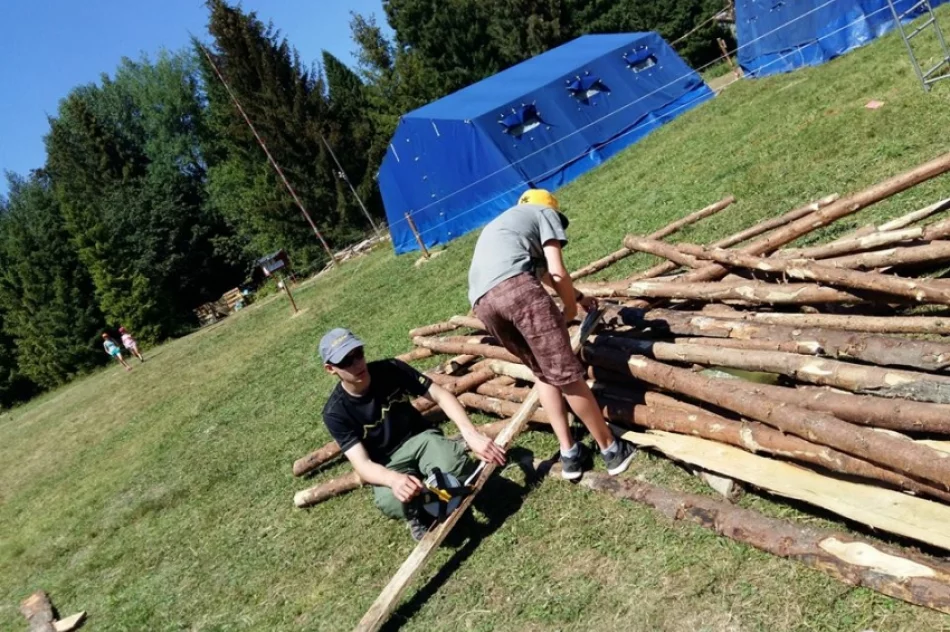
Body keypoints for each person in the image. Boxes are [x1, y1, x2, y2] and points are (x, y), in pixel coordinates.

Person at [468, 188, 637, 480]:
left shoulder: (506, 225)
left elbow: (543, 274)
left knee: (543, 373)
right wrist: (570, 309)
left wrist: (580, 296)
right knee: (567, 374)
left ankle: (570, 453)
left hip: (482, 305)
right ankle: (611, 450)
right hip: (517, 292)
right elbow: (557, 272)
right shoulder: (544, 213)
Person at [318, 328, 506, 541]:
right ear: (330, 369)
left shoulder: (390, 369)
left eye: (358, 353)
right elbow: (362, 464)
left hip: (420, 438)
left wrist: (470, 434)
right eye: (346, 361)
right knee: (390, 502)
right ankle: (421, 509)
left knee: (456, 464)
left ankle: (433, 491)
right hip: (387, 463)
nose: (357, 364)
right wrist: (392, 479)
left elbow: (440, 395)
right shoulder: (335, 412)